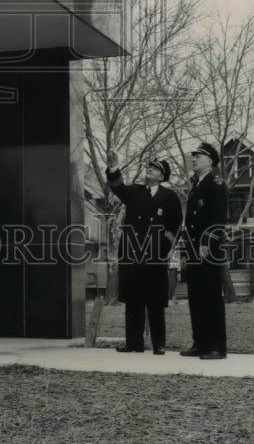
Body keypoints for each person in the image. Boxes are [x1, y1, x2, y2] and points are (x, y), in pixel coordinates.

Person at [106, 150, 183, 354]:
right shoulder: (135, 192)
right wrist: (114, 167)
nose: (149, 169)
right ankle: (134, 343)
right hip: (132, 253)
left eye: (154, 168)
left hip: (154, 256)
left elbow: (175, 225)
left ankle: (159, 344)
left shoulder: (170, 197)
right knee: (133, 300)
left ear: (162, 175)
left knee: (155, 300)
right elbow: (117, 187)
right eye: (149, 167)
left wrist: (163, 248)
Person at [179, 141, 229, 360]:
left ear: (209, 160)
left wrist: (206, 242)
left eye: (198, 156)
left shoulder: (216, 183)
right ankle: (200, 343)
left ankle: (216, 347)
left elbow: (218, 217)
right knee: (196, 297)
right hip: (194, 249)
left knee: (210, 296)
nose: (195, 159)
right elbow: (190, 222)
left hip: (208, 248)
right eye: (194, 156)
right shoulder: (196, 185)